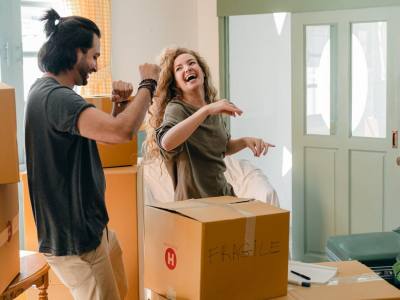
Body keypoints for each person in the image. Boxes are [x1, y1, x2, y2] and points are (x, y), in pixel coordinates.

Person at [24, 9, 160, 300]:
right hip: (78, 243)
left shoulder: (48, 92)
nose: (96, 66)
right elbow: (121, 134)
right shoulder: (58, 98)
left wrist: (120, 108)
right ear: (76, 53)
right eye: (94, 56)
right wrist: (148, 84)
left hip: (92, 232)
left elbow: (107, 136)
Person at [143, 47, 274, 201]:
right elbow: (166, 142)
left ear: (203, 72)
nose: (187, 68)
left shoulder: (213, 108)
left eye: (192, 63)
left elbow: (221, 148)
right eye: (179, 68)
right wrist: (206, 111)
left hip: (223, 195)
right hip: (193, 204)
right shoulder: (177, 108)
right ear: (176, 83)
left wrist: (245, 141)